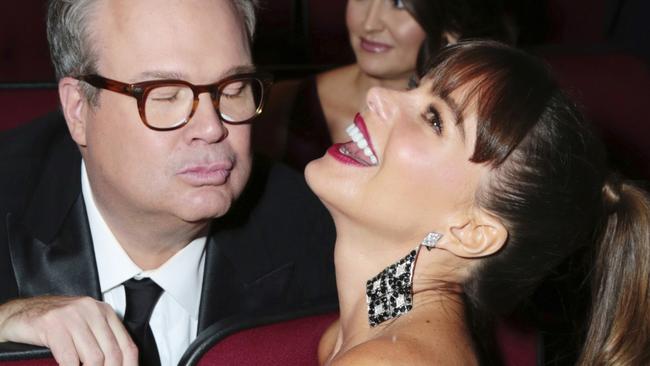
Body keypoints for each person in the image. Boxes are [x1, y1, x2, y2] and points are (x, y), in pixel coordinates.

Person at [0, 0, 336, 365]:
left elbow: (401, 314)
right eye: (165, 95)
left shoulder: (324, 230)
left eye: (234, 89)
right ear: (78, 109)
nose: (212, 128)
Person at [305, 40, 650, 365]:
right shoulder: (372, 327)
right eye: (414, 85)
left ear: (471, 232)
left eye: (434, 119)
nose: (378, 94)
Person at [255, 0, 513, 170]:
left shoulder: (470, 130)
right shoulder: (280, 105)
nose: (370, 23)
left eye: (399, 4)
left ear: (450, 25)